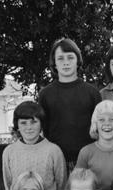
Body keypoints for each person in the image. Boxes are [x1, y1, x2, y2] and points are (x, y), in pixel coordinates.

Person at [38, 37, 101, 172]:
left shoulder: (92, 93)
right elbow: (42, 130)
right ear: (54, 63)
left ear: (77, 60)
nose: (66, 63)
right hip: (56, 160)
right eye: (60, 58)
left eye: (70, 57)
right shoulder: (45, 94)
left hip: (88, 161)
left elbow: (99, 130)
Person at [1, 100, 66, 190]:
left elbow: (62, 184)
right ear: (17, 126)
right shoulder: (9, 152)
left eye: (33, 122)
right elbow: (9, 185)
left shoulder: (53, 151)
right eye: (23, 123)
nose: (29, 127)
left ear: (41, 124)